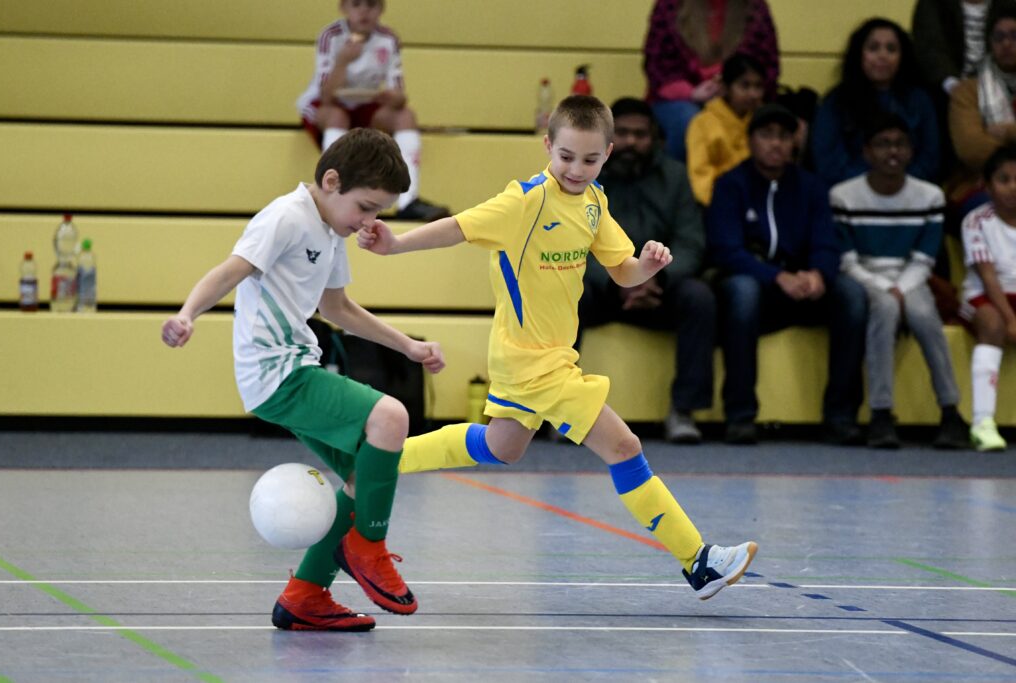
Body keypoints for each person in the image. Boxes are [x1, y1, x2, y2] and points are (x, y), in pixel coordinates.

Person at [360, 95, 758, 600]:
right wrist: (394, 244)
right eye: (566, 156)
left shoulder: (594, 203)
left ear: (607, 154)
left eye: (590, 159)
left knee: (502, 446)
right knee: (625, 447)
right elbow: (457, 227)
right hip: (535, 362)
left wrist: (649, 266)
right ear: (548, 146)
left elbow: (624, 270)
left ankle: (375, 460)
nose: (576, 168)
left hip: (538, 355)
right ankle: (697, 561)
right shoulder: (525, 200)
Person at [161, 128, 446, 631]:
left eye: (378, 212)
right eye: (365, 207)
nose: (368, 222)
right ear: (330, 181)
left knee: (366, 476)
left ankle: (305, 596)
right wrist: (188, 315)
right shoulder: (286, 217)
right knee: (391, 416)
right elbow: (230, 271)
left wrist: (407, 345)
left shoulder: (331, 231)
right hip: (277, 372)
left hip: (296, 367)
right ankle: (368, 547)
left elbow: (337, 308)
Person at [708, 103, 868, 445]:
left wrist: (819, 274)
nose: (776, 144)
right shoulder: (730, 185)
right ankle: (740, 414)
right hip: (756, 283)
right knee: (742, 292)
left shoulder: (812, 186)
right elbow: (726, 249)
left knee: (852, 296)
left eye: (783, 136)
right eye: (766, 135)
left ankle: (840, 415)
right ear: (750, 140)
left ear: (794, 143)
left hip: (804, 284)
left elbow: (827, 241)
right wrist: (775, 276)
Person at [579, 97, 715, 444]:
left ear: (654, 138)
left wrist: (654, 276)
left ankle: (683, 410)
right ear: (607, 138)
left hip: (660, 285)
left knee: (699, 298)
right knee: (563, 292)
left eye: (640, 134)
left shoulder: (674, 177)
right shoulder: (584, 175)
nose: (631, 142)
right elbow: (573, 243)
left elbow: (690, 242)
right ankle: (564, 409)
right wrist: (621, 279)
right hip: (603, 286)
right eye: (622, 133)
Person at [831, 113, 969, 449]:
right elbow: (847, 261)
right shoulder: (843, 196)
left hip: (911, 278)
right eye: (882, 144)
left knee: (925, 316)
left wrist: (901, 288)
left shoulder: (930, 196)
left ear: (911, 151)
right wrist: (884, 290)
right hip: (867, 278)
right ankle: (881, 414)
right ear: (866, 152)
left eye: (900, 144)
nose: (892, 151)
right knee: (885, 312)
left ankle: (951, 412)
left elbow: (924, 259)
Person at [295, 0, 449, 221]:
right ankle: (332, 193)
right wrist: (343, 61)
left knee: (406, 116)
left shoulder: (388, 39)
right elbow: (326, 95)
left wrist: (393, 98)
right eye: (356, 4)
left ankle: (408, 202)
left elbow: (399, 95)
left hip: (366, 103)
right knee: (337, 116)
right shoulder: (331, 36)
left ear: (381, 9)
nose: (364, 11)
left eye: (371, 4)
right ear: (344, 8)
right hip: (329, 105)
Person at [643, 0, 780, 161]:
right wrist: (692, 93)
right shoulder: (670, 5)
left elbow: (767, 64)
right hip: (679, 98)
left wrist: (731, 86)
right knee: (689, 121)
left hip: (737, 95)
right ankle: (678, 183)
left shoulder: (755, 8)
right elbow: (656, 65)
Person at [812, 18, 940, 187]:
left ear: (902, 57)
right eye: (873, 48)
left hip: (909, 194)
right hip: (851, 196)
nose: (882, 56)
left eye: (891, 49)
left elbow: (930, 159)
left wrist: (898, 185)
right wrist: (872, 186)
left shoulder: (919, 100)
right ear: (859, 54)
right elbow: (829, 163)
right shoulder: (837, 101)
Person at [958, 143, 1016, 451]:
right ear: (988, 185)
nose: (1013, 188)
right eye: (1004, 180)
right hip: (985, 297)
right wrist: (1010, 319)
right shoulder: (977, 221)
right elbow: (988, 275)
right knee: (992, 325)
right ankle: (983, 422)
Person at [949, 1, 1016, 214]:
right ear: (989, 43)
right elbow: (972, 150)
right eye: (999, 37)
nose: (1007, 43)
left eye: (1015, 35)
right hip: (982, 183)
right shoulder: (967, 91)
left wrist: (1007, 132)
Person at [685, 53, 766, 205]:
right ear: (725, 88)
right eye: (745, 86)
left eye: (758, 86)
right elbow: (700, 175)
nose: (753, 94)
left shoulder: (764, 121)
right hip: (718, 202)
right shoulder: (702, 123)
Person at [912, 0, 992, 98]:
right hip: (944, 93)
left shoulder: (1006, 6)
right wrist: (954, 87)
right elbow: (930, 49)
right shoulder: (934, 4)